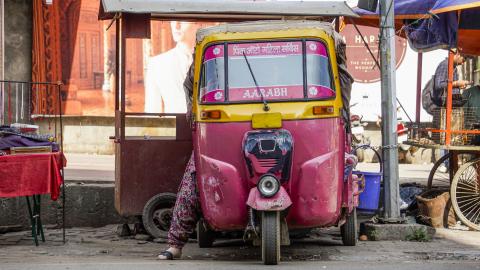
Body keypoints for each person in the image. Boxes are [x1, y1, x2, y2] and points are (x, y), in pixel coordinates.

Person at [145, 21, 202, 113]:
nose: (176, 25)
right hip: (174, 126)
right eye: (172, 20)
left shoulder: (215, 61)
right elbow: (151, 114)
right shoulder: (156, 64)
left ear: (199, 24)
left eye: (182, 20)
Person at [433, 51, 470, 172]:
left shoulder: (452, 67)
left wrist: (458, 86)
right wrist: (456, 83)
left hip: (452, 103)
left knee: (454, 134)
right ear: (458, 54)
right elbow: (439, 85)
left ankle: (450, 164)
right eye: (463, 59)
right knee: (447, 135)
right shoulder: (445, 65)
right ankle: (446, 163)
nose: (463, 62)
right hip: (445, 104)